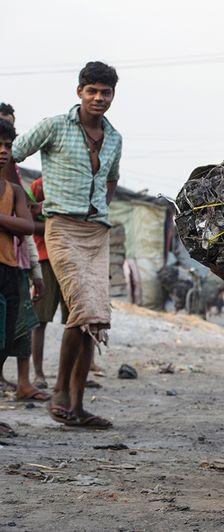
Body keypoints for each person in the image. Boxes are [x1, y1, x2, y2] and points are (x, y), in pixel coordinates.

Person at [7, 61, 122, 429]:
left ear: (113, 95)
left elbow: (111, 180)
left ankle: (76, 404)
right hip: (61, 228)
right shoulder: (55, 125)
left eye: (105, 92)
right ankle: (59, 393)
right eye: (92, 91)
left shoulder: (115, 137)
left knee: (95, 319)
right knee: (85, 312)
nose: (99, 98)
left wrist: (101, 207)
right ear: (80, 92)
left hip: (96, 232)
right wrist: (20, 201)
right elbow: (13, 154)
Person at [0, 119, 42, 401]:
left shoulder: (13, 190)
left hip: (9, 269)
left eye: (7, 145)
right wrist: (10, 223)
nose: (3, 150)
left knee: (4, 341)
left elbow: (27, 227)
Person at [29, 177, 70, 389]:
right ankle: (38, 373)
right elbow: (28, 218)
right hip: (45, 257)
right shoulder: (39, 185)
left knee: (75, 321)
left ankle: (70, 375)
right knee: (39, 319)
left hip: (71, 257)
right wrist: (52, 228)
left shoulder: (75, 182)